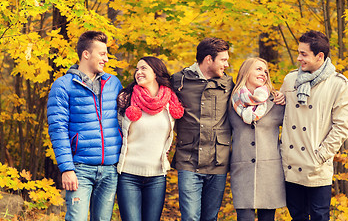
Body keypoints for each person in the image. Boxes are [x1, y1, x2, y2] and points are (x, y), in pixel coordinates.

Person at [47, 31, 122, 221]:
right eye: (102, 53)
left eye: (106, 54)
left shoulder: (113, 83)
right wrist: (66, 168)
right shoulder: (63, 85)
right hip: (80, 169)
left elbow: (125, 121)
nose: (106, 58)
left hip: (110, 168)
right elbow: (58, 129)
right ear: (86, 54)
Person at [280, 30, 348, 221]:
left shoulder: (339, 85)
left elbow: (342, 127)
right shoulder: (290, 80)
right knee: (297, 216)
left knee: (320, 217)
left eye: (304, 54)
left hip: (316, 167)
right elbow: (280, 116)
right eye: (298, 53)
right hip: (291, 164)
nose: (298, 58)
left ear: (319, 56)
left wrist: (320, 156)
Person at [171, 37, 234, 221]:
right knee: (190, 217)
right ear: (208, 59)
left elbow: (252, 95)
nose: (227, 64)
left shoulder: (229, 84)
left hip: (218, 161)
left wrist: (277, 96)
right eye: (223, 60)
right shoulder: (179, 80)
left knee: (210, 217)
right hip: (188, 160)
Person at [116, 56, 184, 221]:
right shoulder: (126, 99)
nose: (138, 72)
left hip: (157, 177)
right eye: (137, 69)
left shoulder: (170, 103)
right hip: (128, 175)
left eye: (143, 68)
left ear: (156, 72)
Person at [229, 57, 286, 221]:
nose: (264, 74)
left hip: (270, 171)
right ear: (246, 72)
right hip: (242, 169)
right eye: (259, 69)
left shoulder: (276, 101)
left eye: (266, 71)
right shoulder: (232, 102)